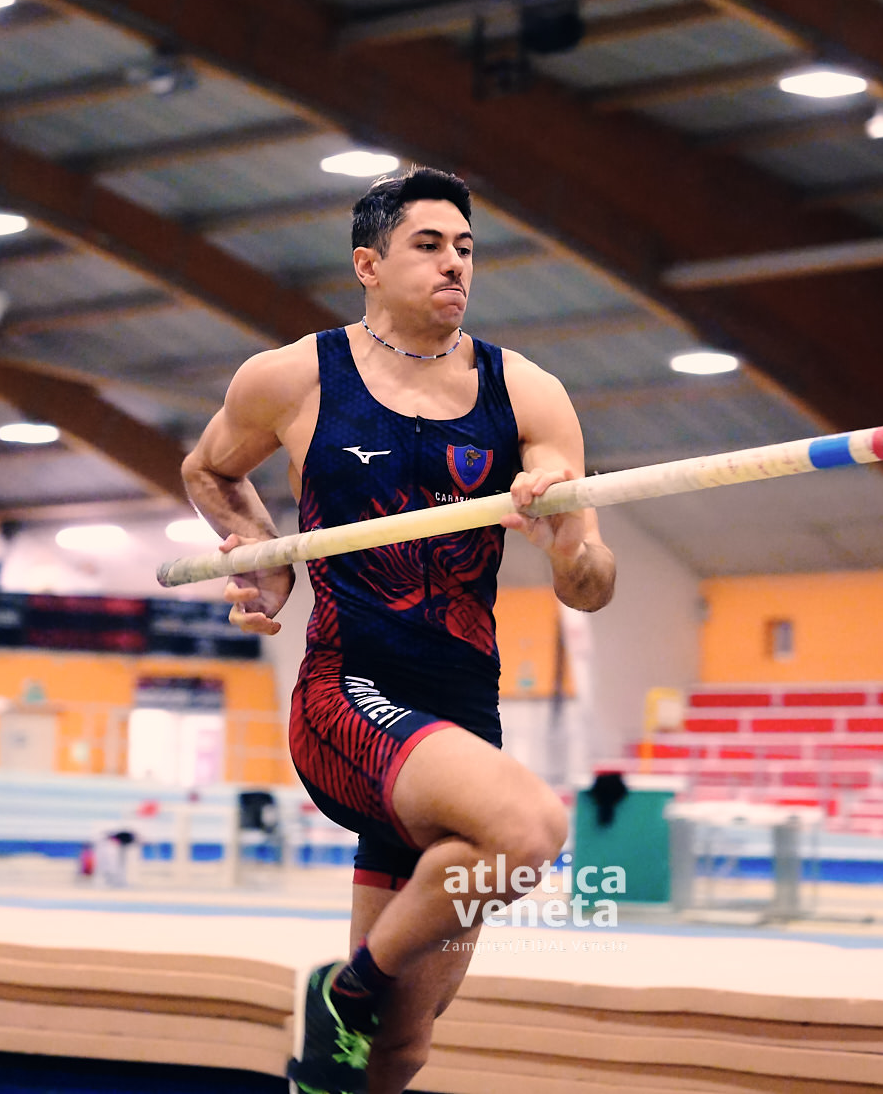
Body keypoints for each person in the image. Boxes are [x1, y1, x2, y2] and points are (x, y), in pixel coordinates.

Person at [180, 166, 616, 1094]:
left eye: (466, 248)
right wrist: (268, 557)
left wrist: (567, 538)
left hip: (463, 715)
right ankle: (342, 990)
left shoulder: (527, 393)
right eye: (429, 244)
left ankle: (352, 1017)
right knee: (528, 829)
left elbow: (591, 587)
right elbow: (208, 468)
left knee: (400, 1047)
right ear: (368, 264)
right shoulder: (295, 378)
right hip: (348, 695)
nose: (455, 263)